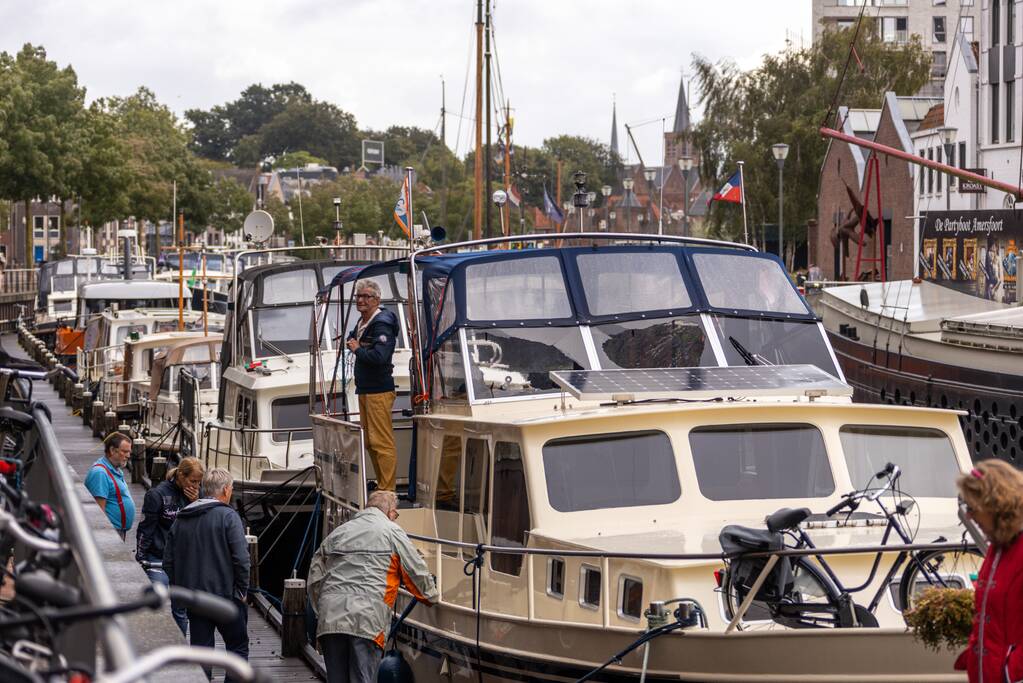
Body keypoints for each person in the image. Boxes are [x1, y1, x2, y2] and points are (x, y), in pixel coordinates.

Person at [308, 490, 438, 683]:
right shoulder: (392, 531)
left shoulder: (340, 532)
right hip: (367, 621)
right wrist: (432, 595)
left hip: (330, 619)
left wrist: (321, 609)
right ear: (391, 512)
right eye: (396, 514)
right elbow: (415, 571)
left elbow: (315, 575)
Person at [164, 468, 249, 681]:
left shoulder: (182, 517)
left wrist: (181, 589)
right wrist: (241, 589)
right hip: (226, 598)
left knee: (202, 653)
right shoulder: (229, 516)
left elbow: (168, 561)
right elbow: (241, 558)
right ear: (226, 490)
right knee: (237, 650)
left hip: (195, 599)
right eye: (231, 488)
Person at [954, 460, 1023, 682]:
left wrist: (1011, 670)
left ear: (996, 505)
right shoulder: (998, 548)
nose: (971, 517)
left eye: (973, 508)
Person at [135, 457, 205, 635]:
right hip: (158, 556)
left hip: (183, 558)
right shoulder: (157, 494)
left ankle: (180, 645)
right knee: (158, 603)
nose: (196, 486)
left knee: (180, 609)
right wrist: (141, 556)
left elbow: (203, 523)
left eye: (199, 482)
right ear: (181, 475)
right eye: (193, 481)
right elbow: (145, 528)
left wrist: (195, 503)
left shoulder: (198, 495)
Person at [345, 280, 399, 491]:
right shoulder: (364, 321)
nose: (361, 300)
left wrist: (358, 349)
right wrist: (355, 343)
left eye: (366, 296)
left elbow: (380, 356)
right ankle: (382, 486)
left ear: (377, 299)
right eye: (358, 296)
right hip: (366, 388)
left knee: (381, 443)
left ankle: (388, 490)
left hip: (378, 389)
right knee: (370, 442)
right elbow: (352, 337)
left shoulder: (381, 323)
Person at [84, 432, 136, 541]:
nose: (128, 456)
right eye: (125, 451)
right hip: (109, 534)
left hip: (117, 531)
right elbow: (98, 512)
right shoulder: (100, 473)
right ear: (112, 450)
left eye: (129, 452)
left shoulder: (115, 470)